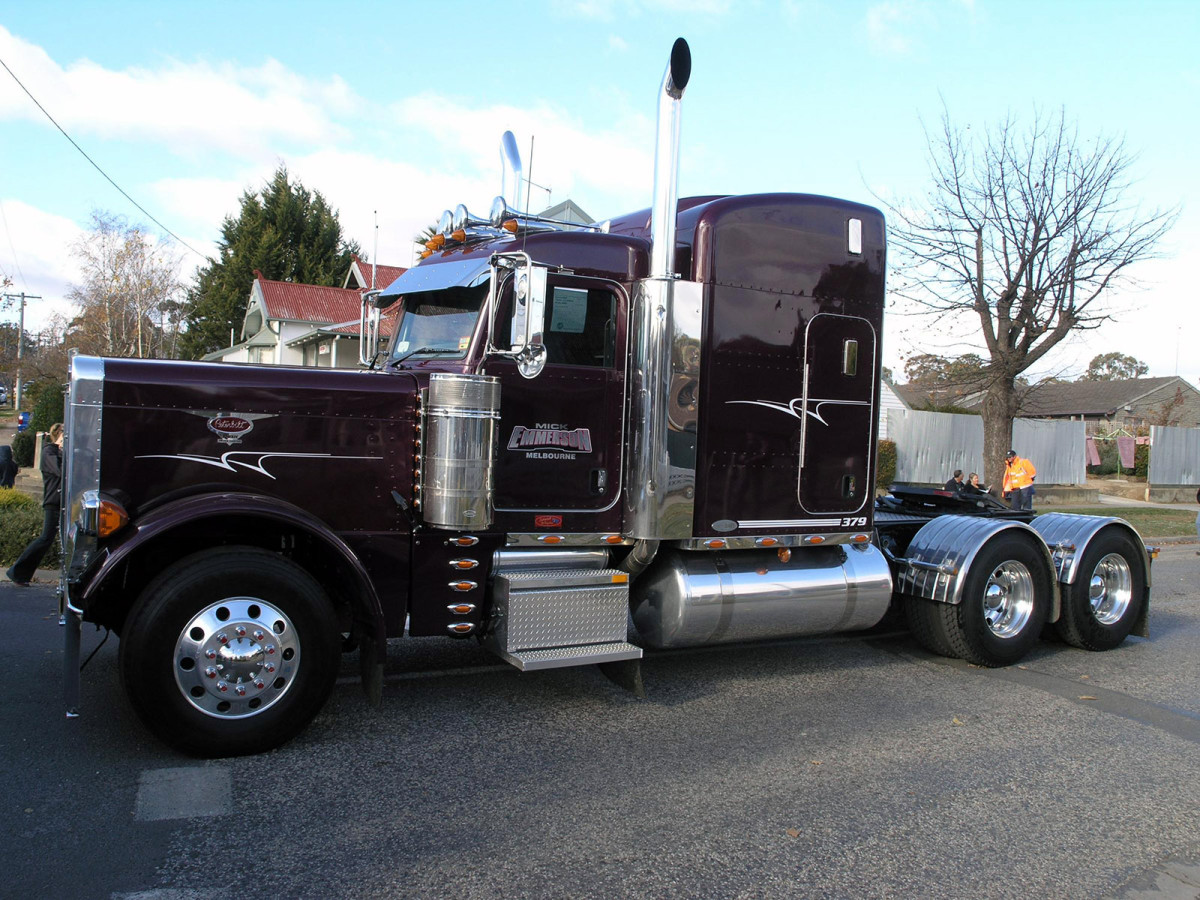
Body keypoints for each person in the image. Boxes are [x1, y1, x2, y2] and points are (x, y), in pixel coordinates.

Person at [6, 424, 64, 586]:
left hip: (65, 502)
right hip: (54, 502)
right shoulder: (49, 452)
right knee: (46, 538)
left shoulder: (60, 453)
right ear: (58, 435)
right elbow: (59, 470)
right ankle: (17, 572)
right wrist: (62, 448)